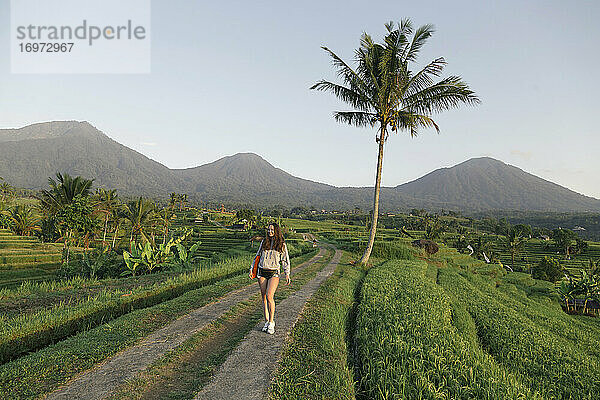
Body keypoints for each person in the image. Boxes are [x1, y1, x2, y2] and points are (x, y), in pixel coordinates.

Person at [249, 223, 291, 334]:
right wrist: (252, 268)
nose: (270, 231)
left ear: (276, 231)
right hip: (262, 271)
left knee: (269, 296)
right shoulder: (264, 242)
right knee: (263, 297)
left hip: (274, 273)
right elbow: (258, 256)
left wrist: (287, 273)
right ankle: (266, 321)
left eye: (272, 230)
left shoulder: (281, 244)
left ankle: (272, 322)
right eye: (268, 229)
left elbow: (285, 260)